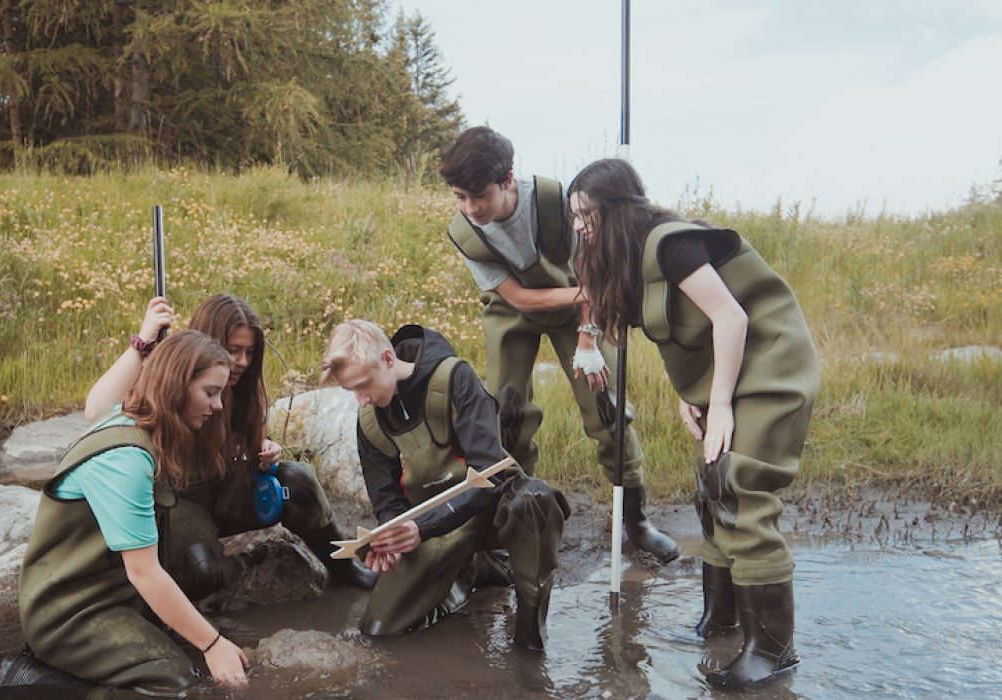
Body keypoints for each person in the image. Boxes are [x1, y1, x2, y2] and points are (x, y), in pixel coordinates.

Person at [568, 157, 821, 687]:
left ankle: (773, 653)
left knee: (741, 487)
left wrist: (722, 401)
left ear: (616, 210)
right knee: (711, 490)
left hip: (770, 364)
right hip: (725, 377)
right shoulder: (633, 261)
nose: (579, 227)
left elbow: (731, 316)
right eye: (574, 217)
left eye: (586, 215)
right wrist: (695, 395)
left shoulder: (671, 244)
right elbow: (681, 331)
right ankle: (722, 621)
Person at [437, 126, 679, 563]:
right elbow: (520, 298)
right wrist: (588, 294)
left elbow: (591, 268)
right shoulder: (466, 232)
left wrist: (588, 337)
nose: (470, 208)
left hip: (575, 307)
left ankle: (636, 520)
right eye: (460, 197)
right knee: (505, 415)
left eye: (480, 196)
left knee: (606, 406)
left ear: (507, 179)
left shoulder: (556, 201)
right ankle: (514, 516)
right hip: (514, 312)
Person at [83, 294, 378, 593]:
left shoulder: (244, 386)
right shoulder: (164, 380)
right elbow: (96, 411)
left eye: (249, 352)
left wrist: (263, 448)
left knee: (298, 482)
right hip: (180, 505)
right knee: (202, 567)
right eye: (234, 350)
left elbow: (243, 440)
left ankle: (344, 567)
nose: (242, 362)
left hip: (226, 494)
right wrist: (143, 342)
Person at [17, 331, 249, 696]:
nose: (218, 405)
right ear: (176, 386)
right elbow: (144, 572)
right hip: (71, 615)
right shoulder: (124, 460)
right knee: (177, 680)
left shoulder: (143, 425)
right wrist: (213, 643)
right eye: (210, 392)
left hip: (115, 594)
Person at [320, 319, 570, 650]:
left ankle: (530, 637)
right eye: (351, 390)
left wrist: (421, 528)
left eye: (363, 385)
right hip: (434, 525)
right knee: (381, 631)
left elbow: (490, 473)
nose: (361, 400)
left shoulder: (454, 378)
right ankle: (474, 571)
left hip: (492, 508)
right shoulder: (369, 420)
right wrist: (391, 540)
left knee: (536, 500)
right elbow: (387, 503)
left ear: (388, 359)